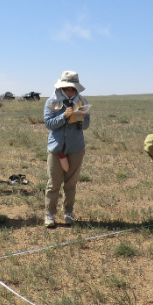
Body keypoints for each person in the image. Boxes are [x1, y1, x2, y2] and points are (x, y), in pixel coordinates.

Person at [43, 71, 90, 227]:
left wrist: (80, 118)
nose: (70, 92)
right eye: (67, 88)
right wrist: (64, 116)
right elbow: (49, 124)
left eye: (73, 89)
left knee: (70, 184)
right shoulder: (52, 102)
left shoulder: (82, 102)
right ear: (61, 88)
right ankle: (49, 214)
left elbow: (86, 125)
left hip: (76, 148)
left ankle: (68, 213)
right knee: (53, 183)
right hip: (56, 148)